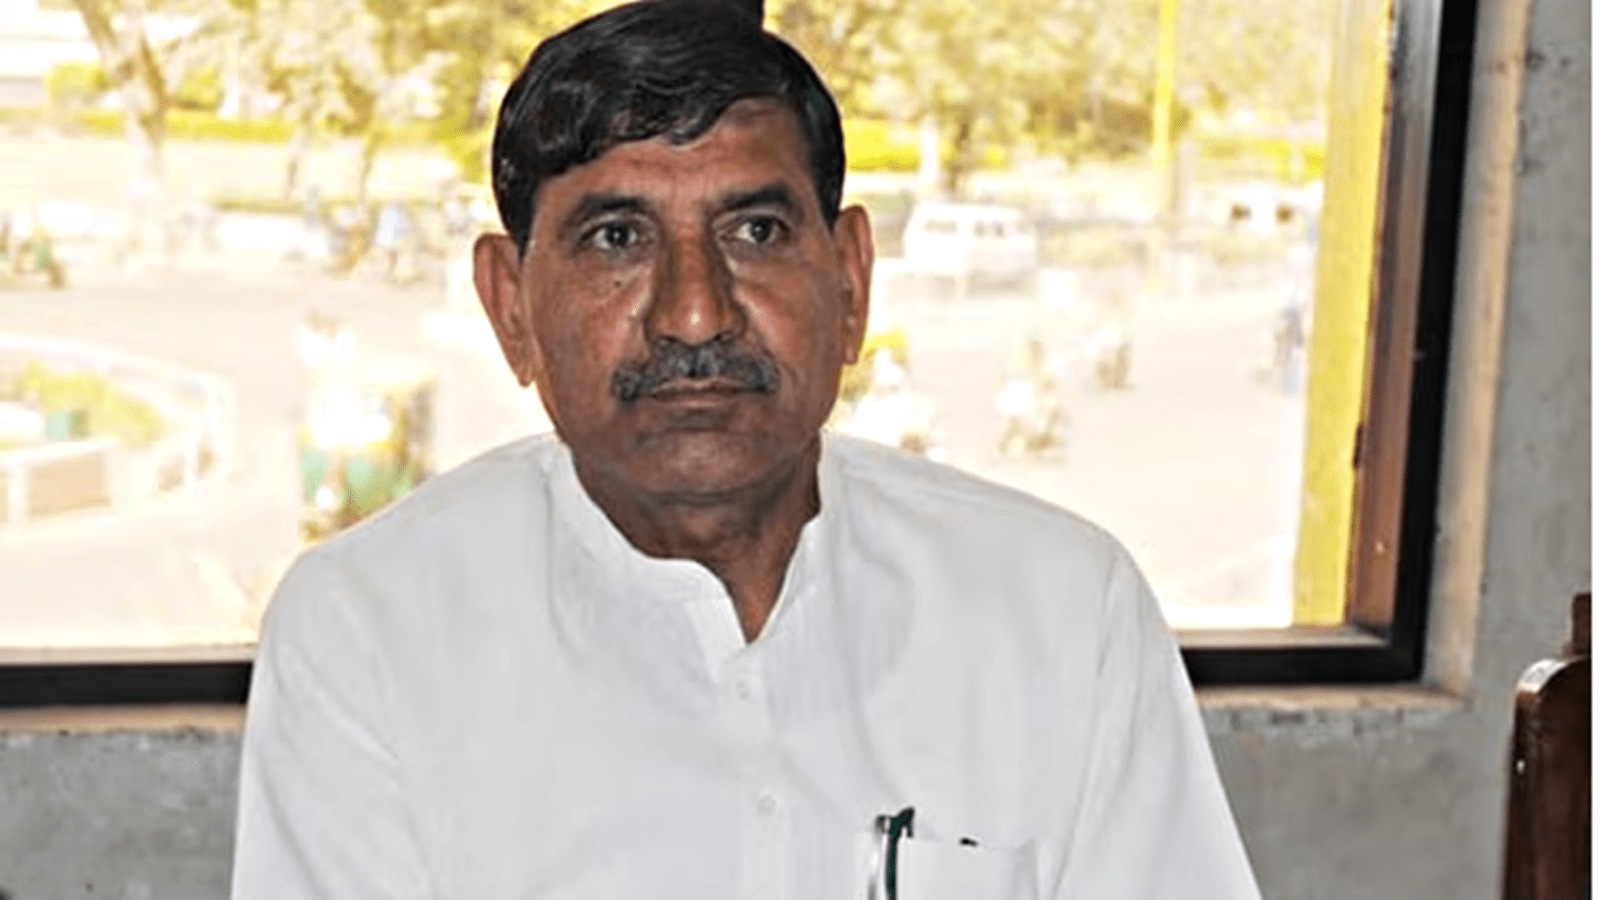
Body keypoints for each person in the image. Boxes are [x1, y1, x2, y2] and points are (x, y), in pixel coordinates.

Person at [231, 1, 1261, 897]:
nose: (694, 312)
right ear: (511, 308)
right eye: (617, 237)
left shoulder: (1060, 608)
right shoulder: (370, 630)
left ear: (850, 283)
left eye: (755, 232)